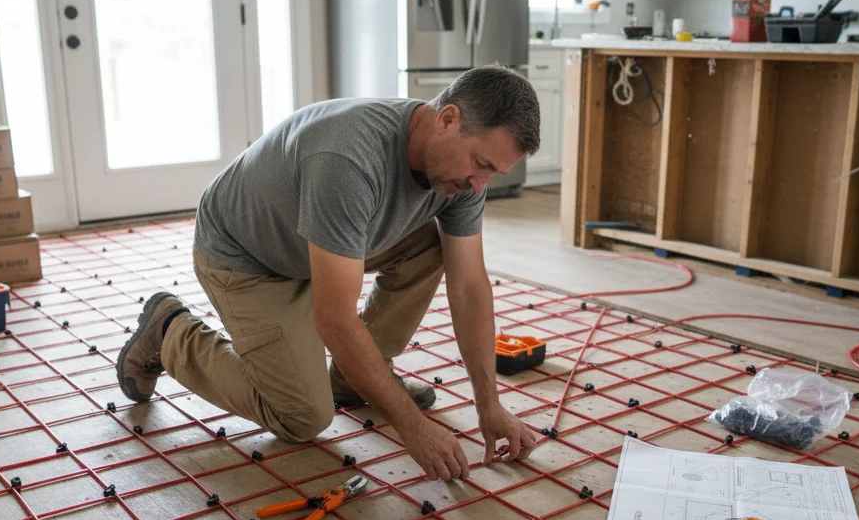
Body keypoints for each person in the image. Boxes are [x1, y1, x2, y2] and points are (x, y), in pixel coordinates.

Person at [115, 65, 541, 481]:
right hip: (247, 257)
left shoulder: (459, 176)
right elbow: (335, 320)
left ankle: (351, 380)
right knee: (301, 417)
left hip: (319, 242)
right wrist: (412, 427)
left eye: (493, 173)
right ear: (448, 119)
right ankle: (169, 331)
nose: (480, 185)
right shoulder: (348, 159)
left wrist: (490, 406)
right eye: (480, 163)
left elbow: (468, 287)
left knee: (434, 248)